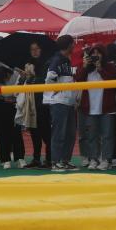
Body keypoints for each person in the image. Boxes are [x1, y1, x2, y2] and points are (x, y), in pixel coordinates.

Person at [75, 44, 116, 169]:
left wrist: (100, 68)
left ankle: (106, 159)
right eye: (93, 53)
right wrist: (84, 66)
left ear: (103, 55)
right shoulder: (86, 68)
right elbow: (78, 79)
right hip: (89, 107)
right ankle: (93, 159)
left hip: (107, 107)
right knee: (91, 135)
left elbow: (112, 81)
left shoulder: (110, 67)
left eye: (98, 53)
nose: (95, 56)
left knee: (107, 135)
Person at [45, 35, 78, 172]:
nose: (74, 46)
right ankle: (56, 162)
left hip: (68, 101)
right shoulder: (57, 59)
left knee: (70, 133)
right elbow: (49, 77)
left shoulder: (66, 60)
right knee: (59, 132)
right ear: (69, 45)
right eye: (73, 43)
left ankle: (65, 160)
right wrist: (57, 89)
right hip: (59, 101)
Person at [23, 41, 51, 169]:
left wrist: (32, 76)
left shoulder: (47, 63)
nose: (34, 51)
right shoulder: (28, 63)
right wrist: (24, 76)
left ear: (41, 49)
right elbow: (25, 82)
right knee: (34, 131)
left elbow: (45, 80)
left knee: (45, 131)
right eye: (32, 49)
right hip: (31, 101)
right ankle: (36, 158)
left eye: (37, 49)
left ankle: (49, 159)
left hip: (43, 102)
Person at [0, 65, 25, 168]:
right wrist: (2, 96)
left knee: (16, 132)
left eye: (9, 75)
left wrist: (22, 76)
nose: (8, 78)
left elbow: (17, 91)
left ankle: (19, 158)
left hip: (13, 108)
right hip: (0, 108)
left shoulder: (15, 74)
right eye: (6, 77)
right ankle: (5, 159)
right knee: (2, 134)